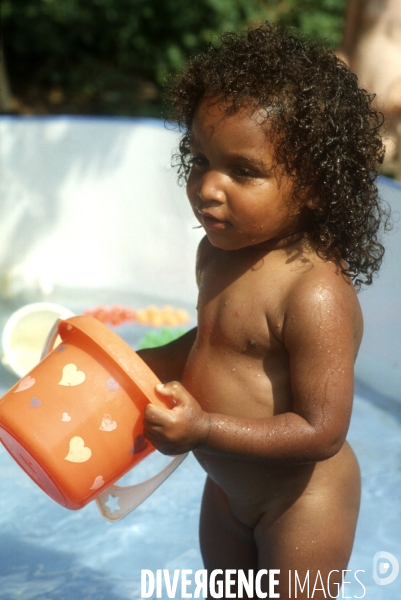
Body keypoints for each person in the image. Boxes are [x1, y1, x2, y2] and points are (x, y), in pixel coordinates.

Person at [137, 23, 389, 599]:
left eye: (243, 171)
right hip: (226, 492)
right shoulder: (215, 255)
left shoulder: (313, 294)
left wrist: (204, 428)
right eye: (200, 159)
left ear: (317, 187)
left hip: (300, 501)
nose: (208, 188)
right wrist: (128, 364)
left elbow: (321, 431)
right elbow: (211, 343)